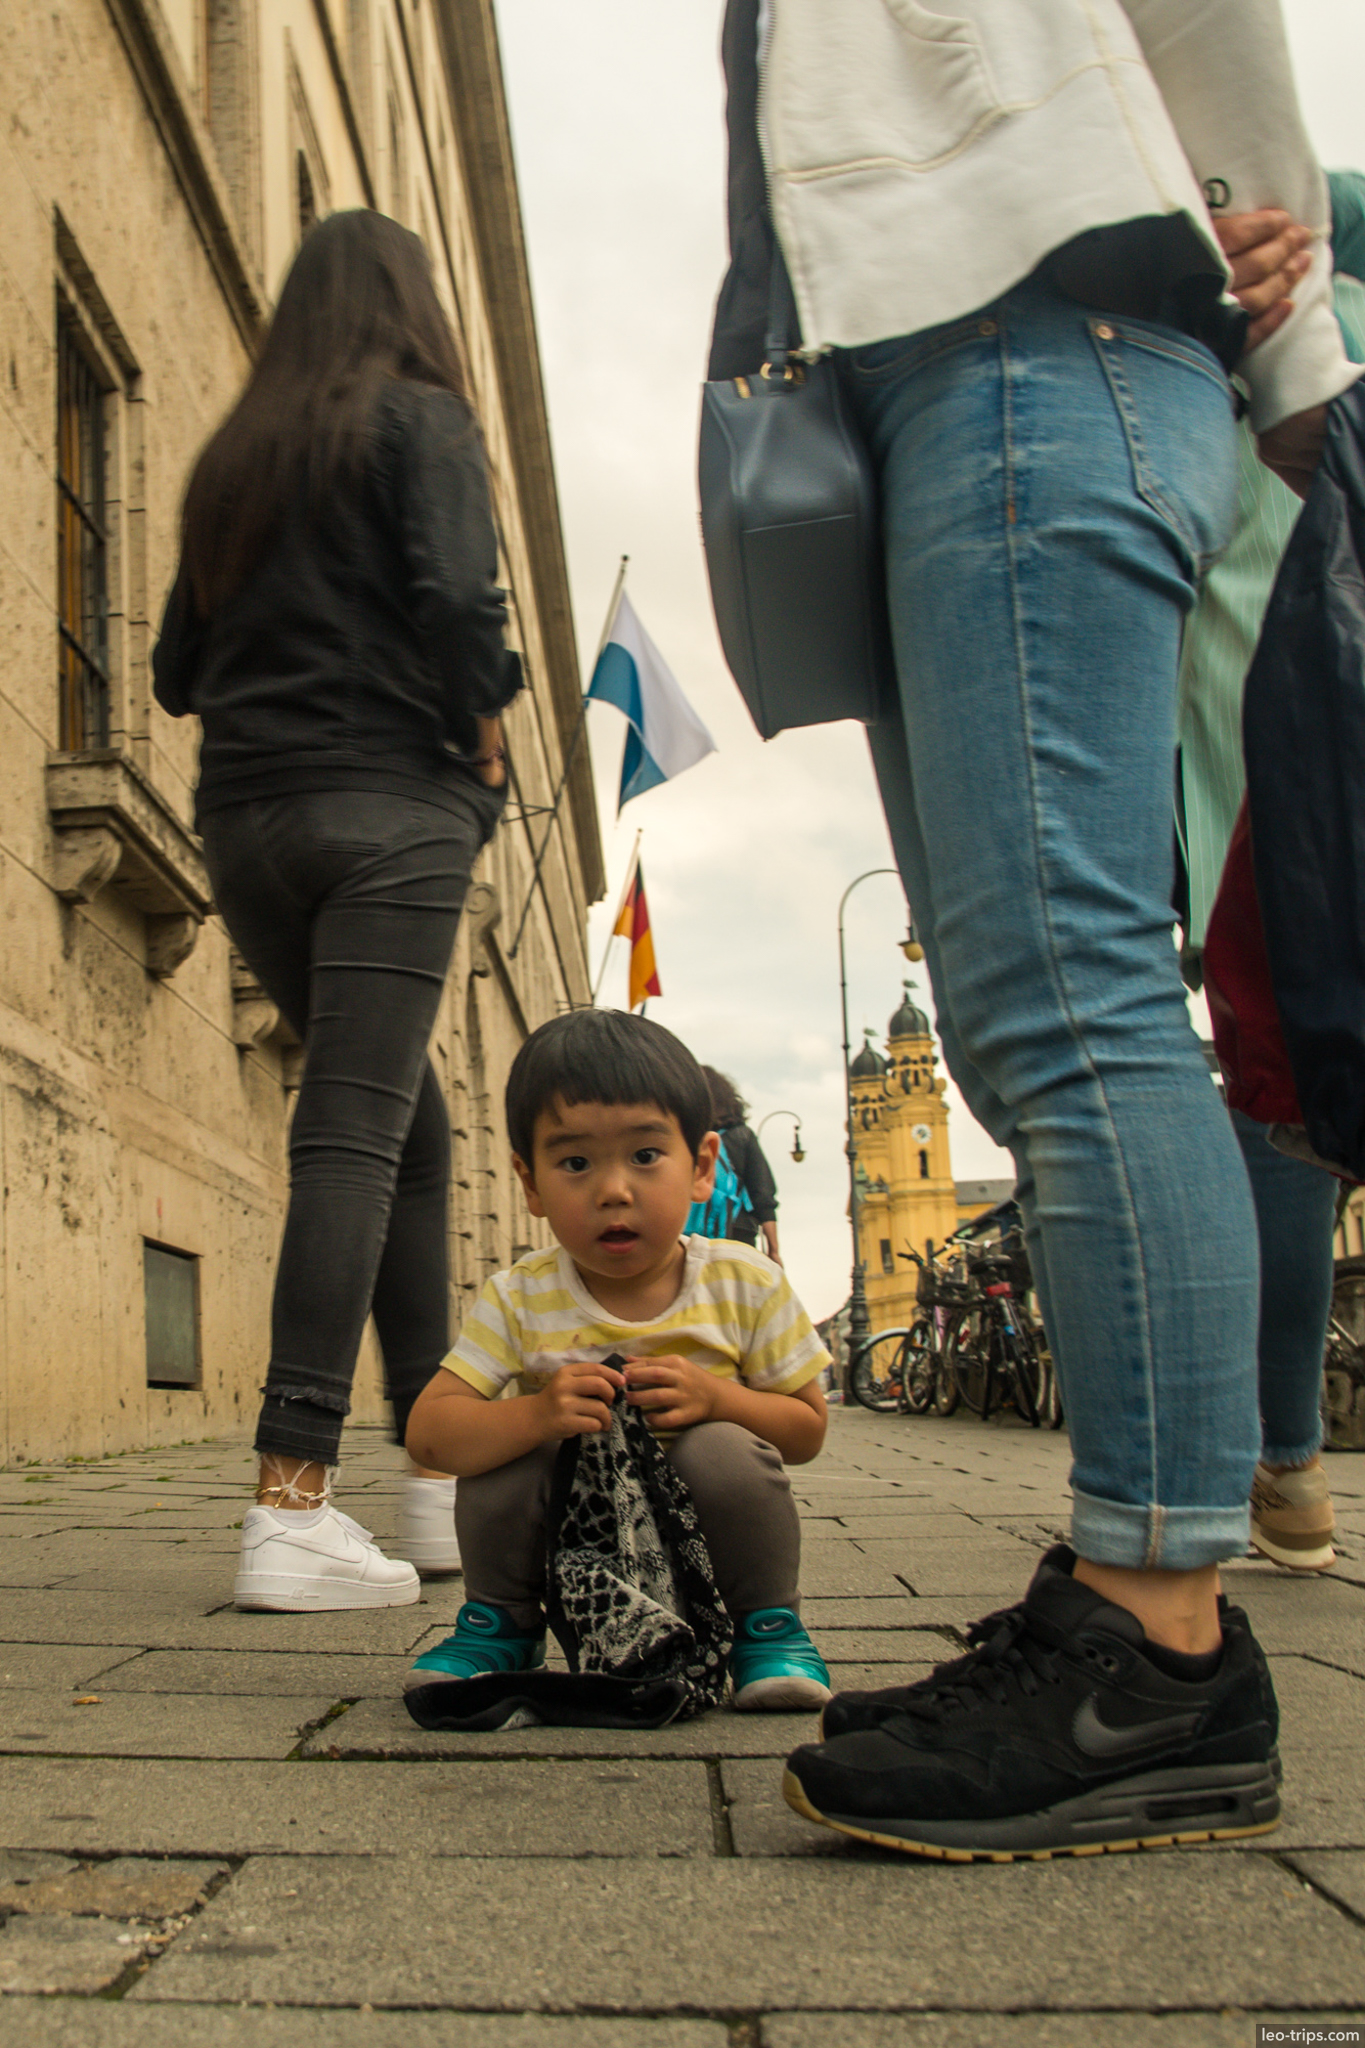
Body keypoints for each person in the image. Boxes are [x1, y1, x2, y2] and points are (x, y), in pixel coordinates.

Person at [706, 0, 1360, 1857]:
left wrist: (1297, 336)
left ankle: (1157, 1645)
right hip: (946, 355)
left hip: (1033, 331)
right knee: (1018, 1014)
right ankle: (1126, 1597)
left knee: (1074, 1001)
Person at [152, 210, 521, 1610]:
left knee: (409, 1125)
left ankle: (432, 1487)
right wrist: (482, 729)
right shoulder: (420, 416)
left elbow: (180, 673)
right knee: (359, 1130)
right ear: (406, 304)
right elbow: (452, 597)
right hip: (389, 813)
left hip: (249, 824)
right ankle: (291, 1503)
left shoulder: (236, 461)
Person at [403, 1007, 833, 1710]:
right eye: (574, 1163)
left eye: (644, 1156)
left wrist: (719, 1400)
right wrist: (536, 1414)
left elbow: (806, 1432)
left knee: (723, 1448)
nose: (612, 1189)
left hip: (703, 1552)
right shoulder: (520, 1296)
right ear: (530, 1183)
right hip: (583, 1556)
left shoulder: (742, 1283)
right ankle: (500, 1625)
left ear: (700, 1167)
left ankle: (768, 1631)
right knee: (499, 1449)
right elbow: (431, 1433)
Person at [1181, 172, 1365, 1576]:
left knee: (1285, 1127)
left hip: (1275, 789)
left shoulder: (1241, 360)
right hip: (1292, 768)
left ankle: (1288, 1463)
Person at [696, 1066, 781, 1262]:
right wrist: (774, 1250)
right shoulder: (743, 1136)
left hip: (692, 1231)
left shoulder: (685, 1138)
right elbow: (763, 1195)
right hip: (737, 1229)